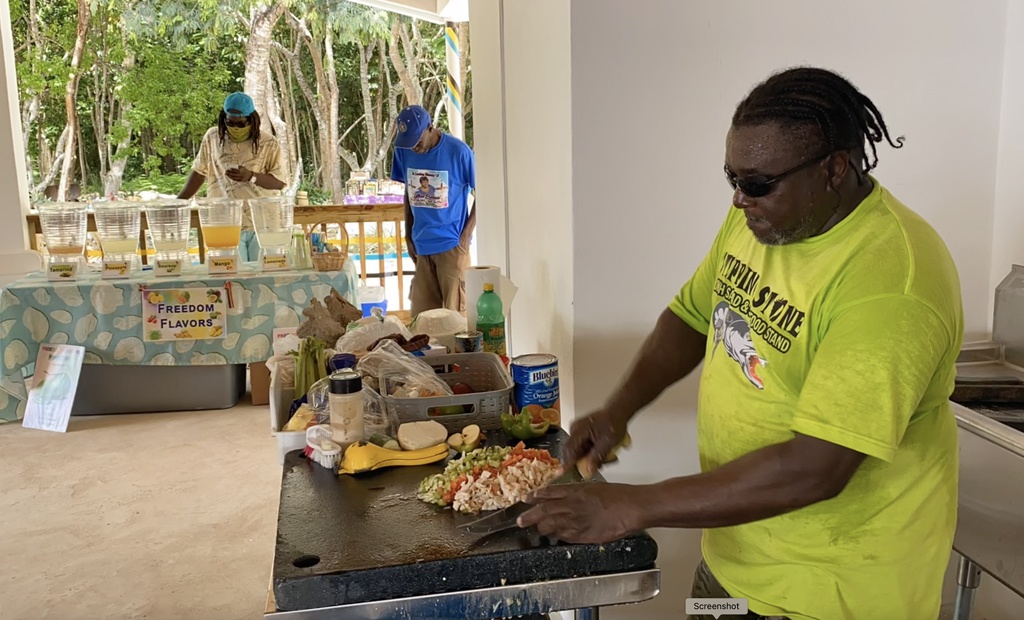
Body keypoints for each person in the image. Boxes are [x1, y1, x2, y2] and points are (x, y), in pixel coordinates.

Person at [518, 67, 963, 620]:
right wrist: (618, 410)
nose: (737, 200)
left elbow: (816, 468)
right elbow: (693, 316)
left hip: (833, 593)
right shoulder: (764, 221)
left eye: (755, 183)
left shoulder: (892, 282)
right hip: (731, 562)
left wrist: (633, 505)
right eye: (731, 177)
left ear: (834, 169)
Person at [178, 92, 287, 262]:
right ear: (223, 119)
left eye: (241, 123)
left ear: (252, 120)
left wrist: (251, 176)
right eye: (230, 122)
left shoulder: (268, 143)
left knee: (264, 275)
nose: (235, 127)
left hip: (262, 222)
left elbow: (279, 183)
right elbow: (199, 172)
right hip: (224, 222)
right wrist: (179, 202)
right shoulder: (213, 138)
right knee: (229, 276)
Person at [391, 105, 476, 316]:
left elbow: (482, 192)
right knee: (423, 321)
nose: (414, 148)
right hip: (421, 244)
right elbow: (409, 193)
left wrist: (466, 235)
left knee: (456, 320)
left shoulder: (459, 152)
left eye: (417, 142)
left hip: (452, 245)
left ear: (430, 127)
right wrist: (408, 233)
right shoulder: (403, 151)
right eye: (409, 144)